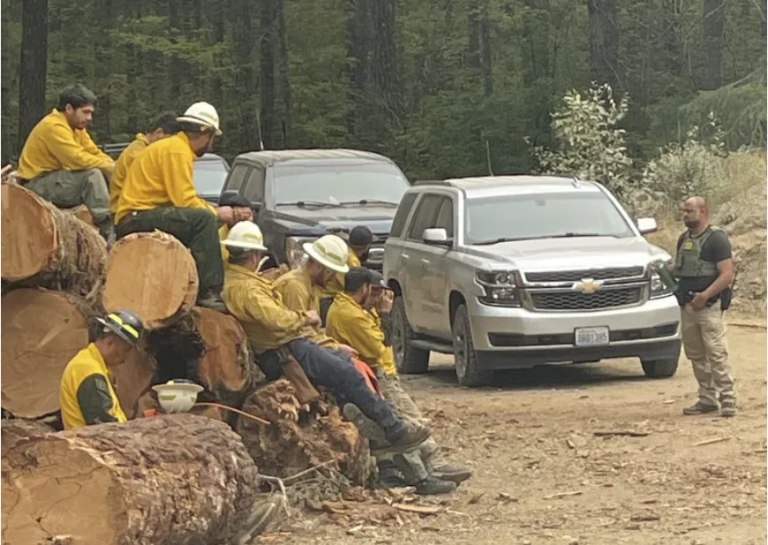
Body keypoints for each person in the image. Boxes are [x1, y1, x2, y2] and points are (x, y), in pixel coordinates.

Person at [220, 221, 431, 453]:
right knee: (349, 374)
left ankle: (380, 439)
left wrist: (332, 345)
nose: (332, 279)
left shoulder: (251, 283)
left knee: (348, 376)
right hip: (285, 348)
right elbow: (279, 321)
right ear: (253, 255)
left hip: (291, 343)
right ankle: (395, 431)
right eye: (330, 271)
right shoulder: (261, 288)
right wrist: (306, 317)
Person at [326, 267, 473, 493]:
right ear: (364, 288)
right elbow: (379, 346)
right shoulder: (350, 314)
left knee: (399, 426)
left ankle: (427, 468)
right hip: (370, 375)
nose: (377, 298)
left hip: (376, 374)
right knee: (406, 425)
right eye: (374, 292)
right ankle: (427, 472)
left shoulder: (358, 309)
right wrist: (385, 313)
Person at [115, 102, 233, 310]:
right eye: (212, 138)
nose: (211, 145)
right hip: (135, 217)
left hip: (138, 214)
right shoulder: (177, 151)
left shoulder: (173, 147)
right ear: (205, 134)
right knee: (204, 220)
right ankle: (208, 292)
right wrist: (216, 212)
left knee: (202, 219)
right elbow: (185, 201)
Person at [16, 83, 114, 239]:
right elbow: (76, 159)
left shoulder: (76, 127)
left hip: (53, 179)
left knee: (101, 171)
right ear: (69, 108)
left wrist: (113, 168)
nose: (89, 118)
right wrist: (112, 168)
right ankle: (108, 226)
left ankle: (114, 217)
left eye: (91, 113)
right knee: (92, 176)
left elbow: (94, 152)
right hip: (35, 185)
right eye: (86, 112)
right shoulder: (54, 126)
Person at [673, 196, 736, 417]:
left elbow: (726, 274)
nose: (685, 214)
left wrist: (705, 295)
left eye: (689, 210)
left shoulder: (716, 239)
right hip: (688, 305)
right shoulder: (684, 239)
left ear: (703, 212)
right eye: (684, 210)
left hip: (708, 305)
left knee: (716, 352)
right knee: (696, 354)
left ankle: (727, 397)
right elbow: (680, 270)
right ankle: (707, 398)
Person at [59, 310, 145, 429]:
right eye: (125, 350)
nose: (125, 358)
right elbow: (104, 426)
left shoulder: (92, 363)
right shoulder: (89, 370)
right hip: (89, 446)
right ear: (111, 343)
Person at [109, 112, 181, 215]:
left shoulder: (143, 149)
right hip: (126, 211)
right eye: (169, 141)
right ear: (159, 132)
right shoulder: (138, 153)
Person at [320, 225, 374, 321]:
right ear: (366, 247)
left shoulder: (343, 251)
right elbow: (356, 288)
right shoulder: (353, 262)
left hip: (323, 297)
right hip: (332, 299)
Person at [217, 193, 255, 262]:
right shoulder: (217, 239)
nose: (250, 220)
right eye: (243, 217)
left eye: (250, 215)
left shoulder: (253, 234)